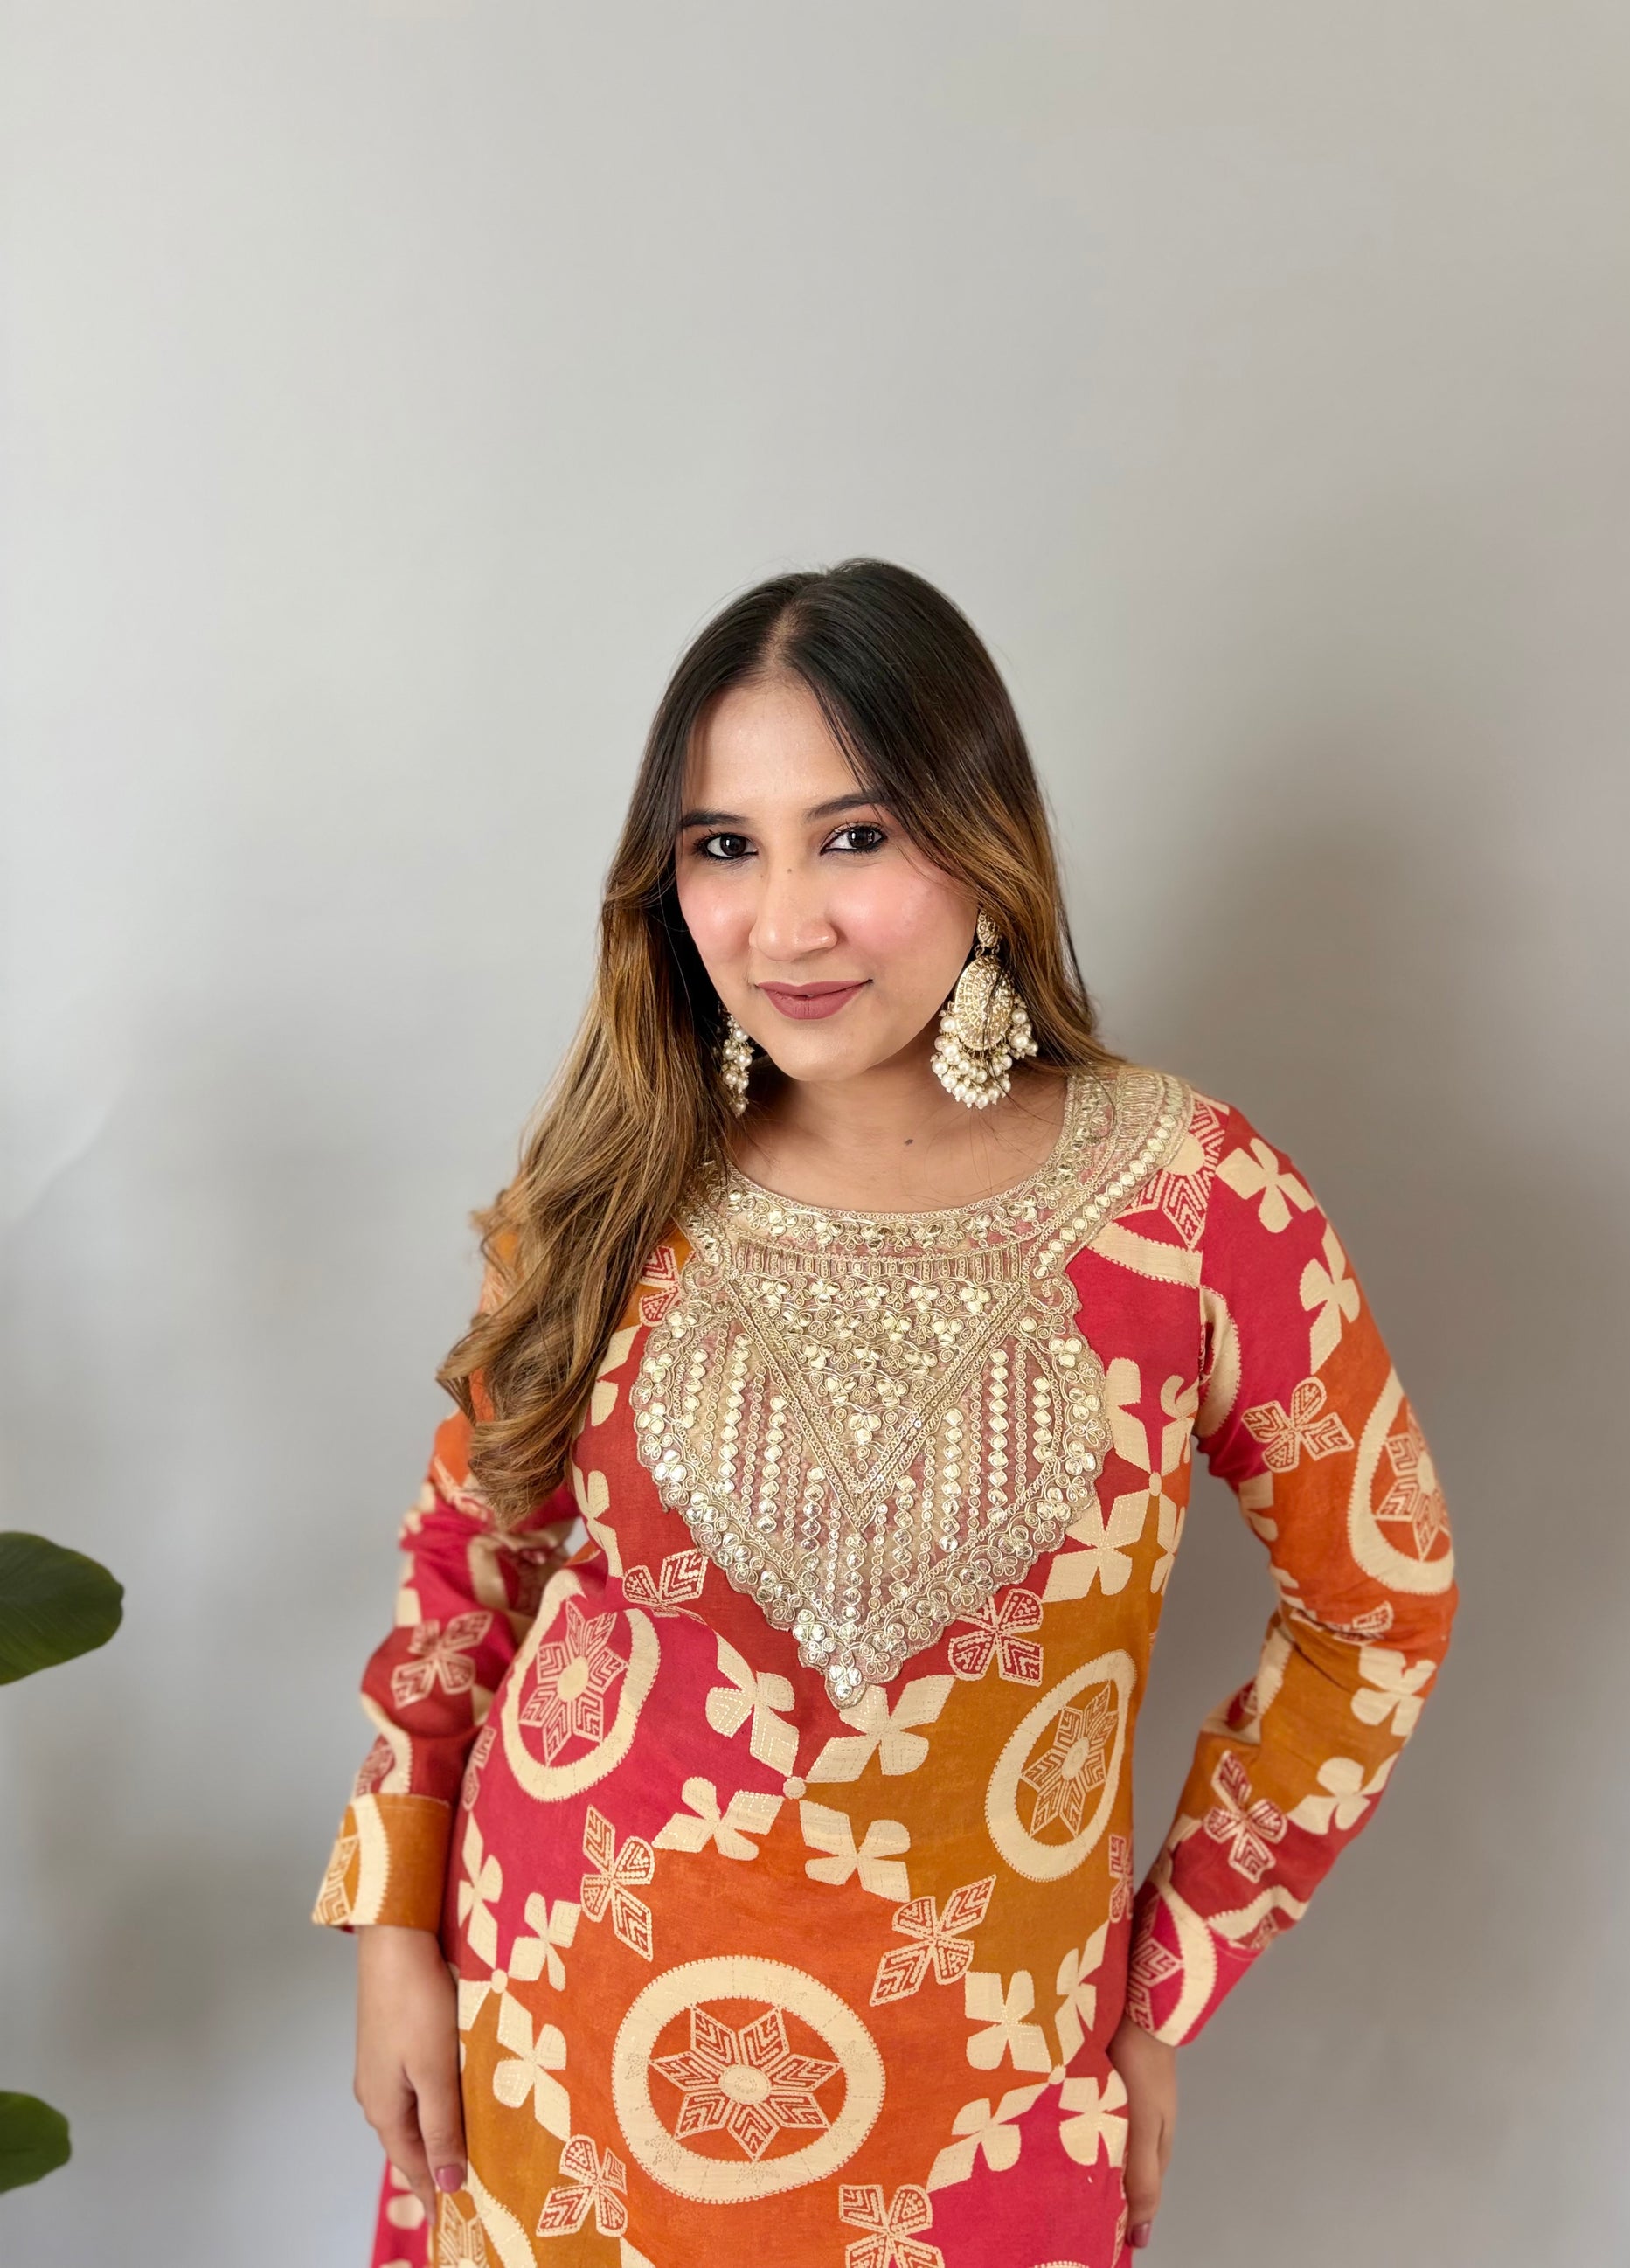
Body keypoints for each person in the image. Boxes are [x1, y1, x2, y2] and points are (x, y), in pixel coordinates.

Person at [313, 558, 1460, 2268]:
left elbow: (1378, 1608)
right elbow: (468, 1567)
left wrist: (1163, 1982)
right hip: (548, 2056)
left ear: (982, 840)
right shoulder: (610, 1185)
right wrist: (395, 1929)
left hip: (979, 2101)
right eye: (723, 845)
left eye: (852, 836)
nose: (783, 924)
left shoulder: (1193, 1204)